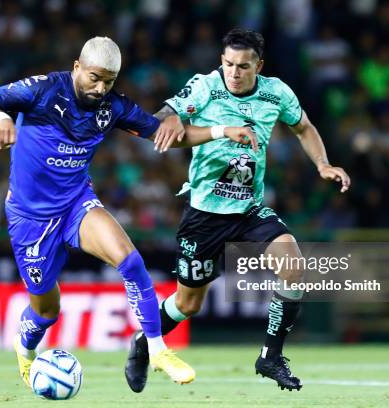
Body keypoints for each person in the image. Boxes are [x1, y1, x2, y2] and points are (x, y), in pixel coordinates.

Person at [0, 36, 255, 389]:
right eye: (94, 77)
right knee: (46, 311)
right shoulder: (42, 90)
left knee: (130, 261)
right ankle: (24, 349)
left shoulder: (114, 107)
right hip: (30, 218)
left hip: (76, 204)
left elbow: (166, 135)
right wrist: (0, 117)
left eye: (109, 81)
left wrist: (222, 131)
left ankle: (157, 349)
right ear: (77, 67)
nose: (101, 87)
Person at [125, 28, 351, 392]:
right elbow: (167, 113)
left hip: (248, 210)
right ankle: (141, 344)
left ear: (258, 66)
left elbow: (304, 128)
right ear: (221, 61)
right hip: (204, 216)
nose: (234, 72)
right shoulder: (205, 86)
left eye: (243, 66)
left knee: (293, 267)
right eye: (229, 64)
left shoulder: (276, 92)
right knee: (188, 303)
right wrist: (169, 115)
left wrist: (323, 164)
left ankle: (270, 357)